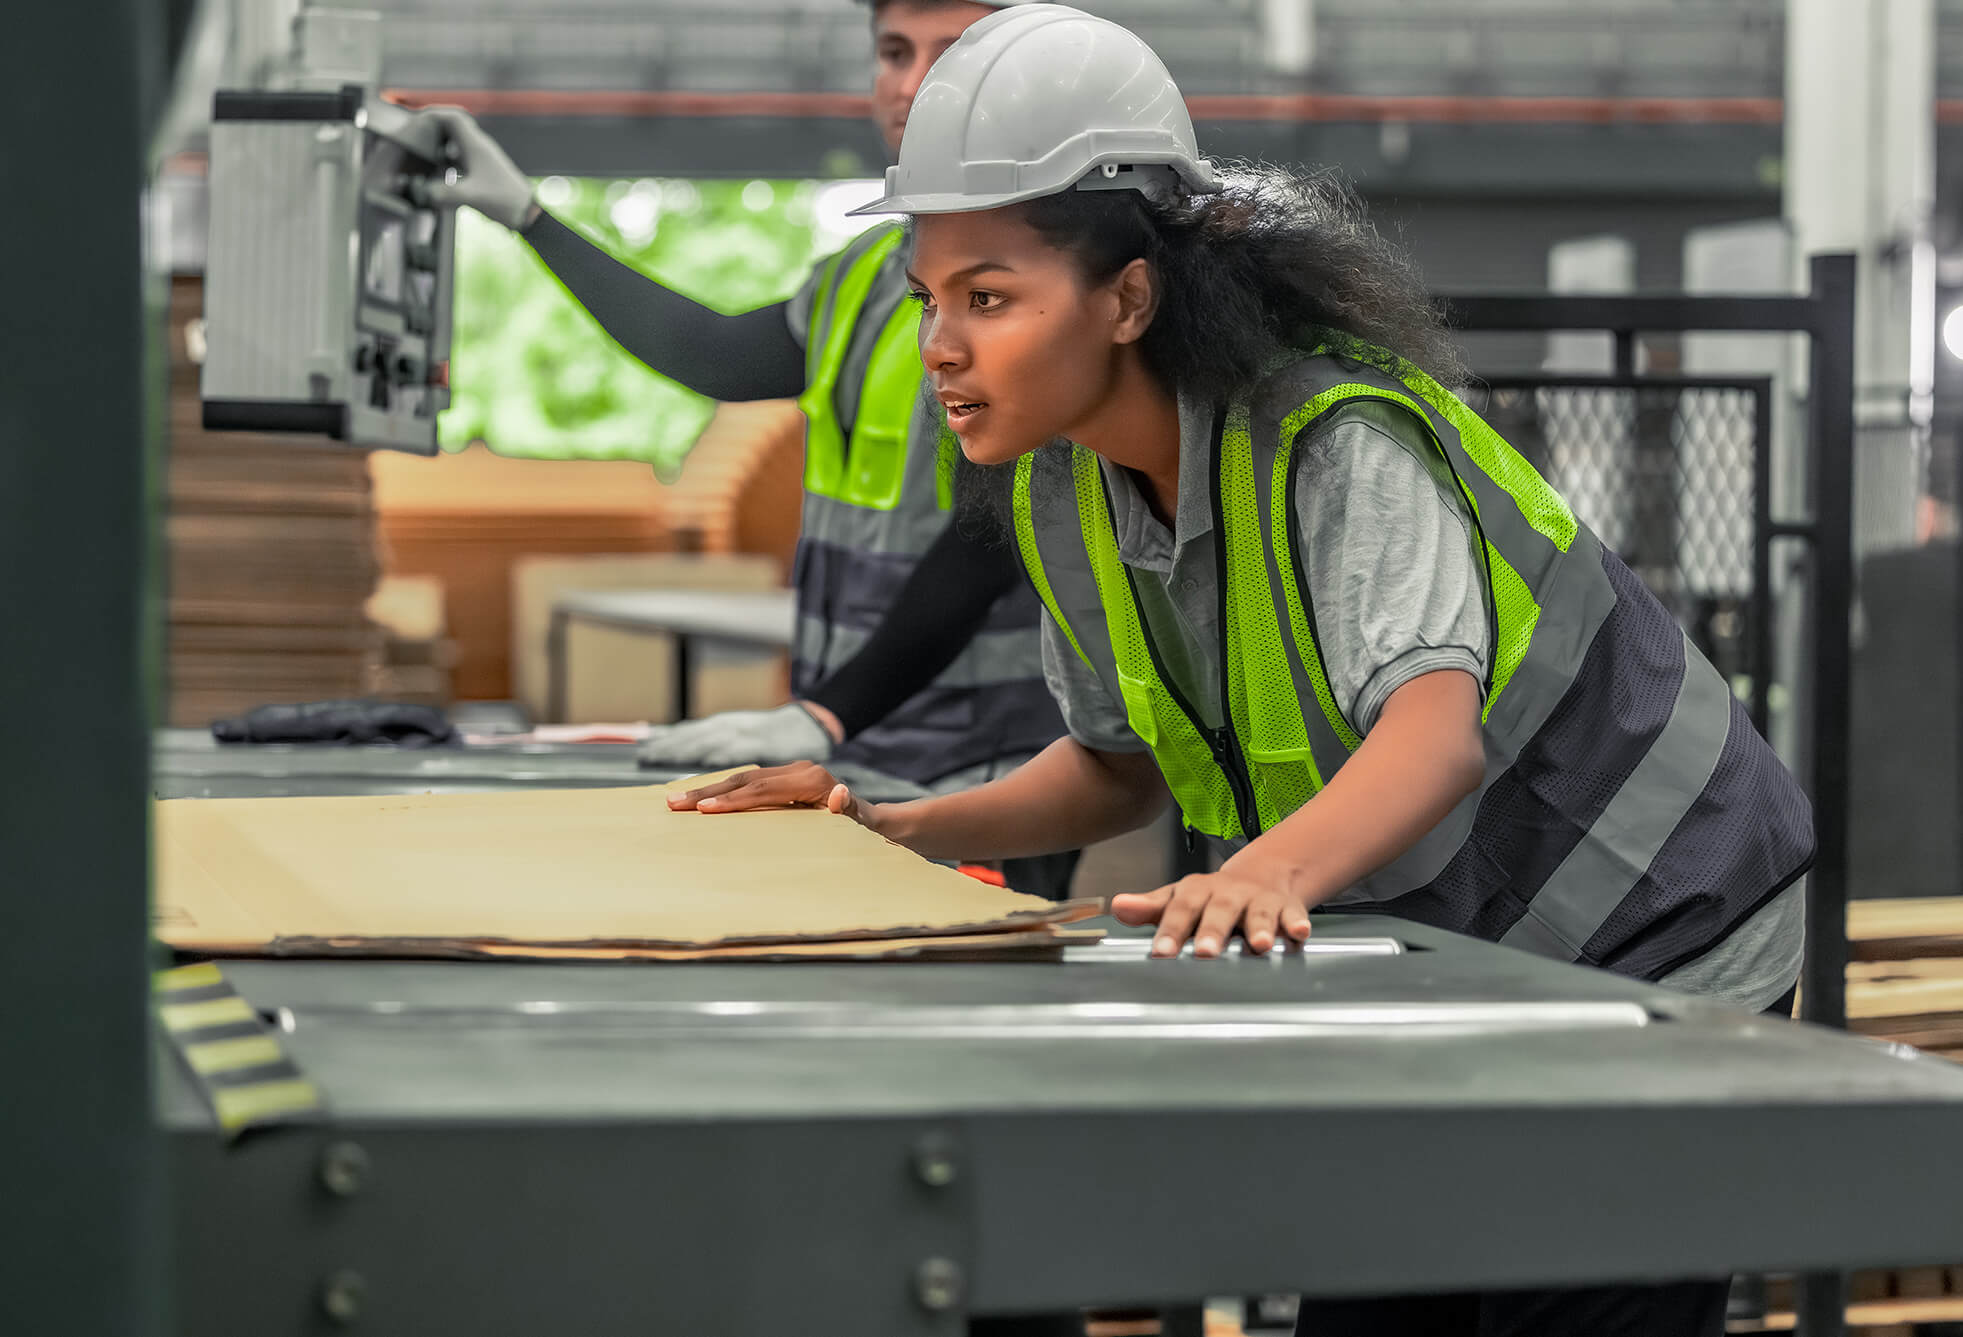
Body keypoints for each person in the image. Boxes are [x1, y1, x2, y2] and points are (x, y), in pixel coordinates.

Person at [669, 8, 1813, 1334]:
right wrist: (897, 824)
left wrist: (1258, 872)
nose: (940, 347)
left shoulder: (1332, 439)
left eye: (990, 298)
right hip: (1470, 953)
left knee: (1552, 1290)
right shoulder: (1064, 488)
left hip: (1658, 929)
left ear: (1128, 298)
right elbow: (1112, 763)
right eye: (932, 299)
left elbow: (1432, 738)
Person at [414, 0, 1076, 896]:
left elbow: (994, 535)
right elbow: (714, 354)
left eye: (953, 54)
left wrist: (824, 714)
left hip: (985, 766)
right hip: (854, 749)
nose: (915, 83)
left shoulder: (1043, 280)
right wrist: (526, 215)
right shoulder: (865, 276)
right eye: (893, 51)